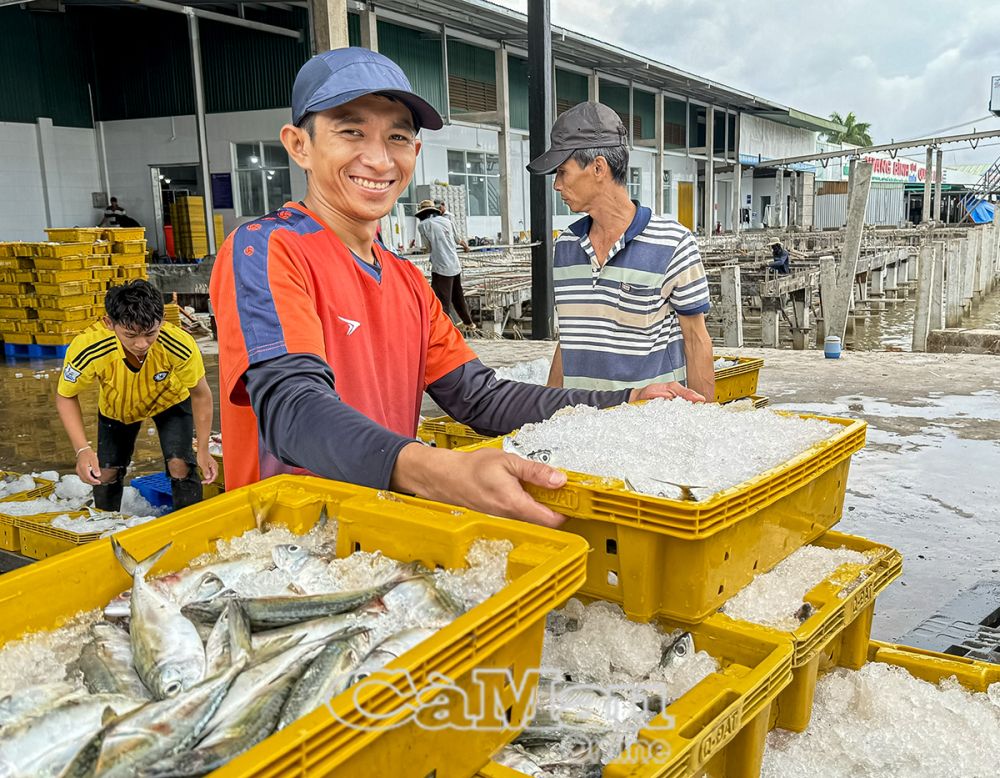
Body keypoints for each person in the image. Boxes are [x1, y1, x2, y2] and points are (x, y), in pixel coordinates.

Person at [209, 47, 703, 528]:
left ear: (415, 152)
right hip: (283, 543)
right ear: (300, 145)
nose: (379, 160)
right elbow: (291, 409)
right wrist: (438, 470)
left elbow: (480, 398)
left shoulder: (405, 281)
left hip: (380, 535)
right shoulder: (265, 250)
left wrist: (624, 402)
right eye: (350, 131)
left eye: (398, 138)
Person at [526, 101, 715, 401]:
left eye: (562, 172)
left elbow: (696, 341)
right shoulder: (565, 247)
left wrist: (705, 425)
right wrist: (545, 413)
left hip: (649, 427)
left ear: (599, 167)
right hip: (583, 424)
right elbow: (570, 340)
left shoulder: (674, 244)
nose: (557, 185)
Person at [55, 280, 218, 511]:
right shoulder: (88, 347)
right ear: (109, 323)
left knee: (180, 465)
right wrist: (82, 449)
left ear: (161, 321)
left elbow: (201, 395)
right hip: (117, 407)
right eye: (130, 334)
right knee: (105, 473)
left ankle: (188, 522)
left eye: (151, 333)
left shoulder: (179, 344)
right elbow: (65, 396)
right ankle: (105, 527)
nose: (142, 344)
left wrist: (202, 449)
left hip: (169, 400)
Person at [416, 198, 476, 332]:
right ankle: (468, 322)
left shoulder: (423, 225)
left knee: (441, 300)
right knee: (457, 295)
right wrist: (465, 246)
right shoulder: (447, 221)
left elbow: (428, 247)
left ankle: (444, 331)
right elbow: (457, 239)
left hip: (441, 266)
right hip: (454, 263)